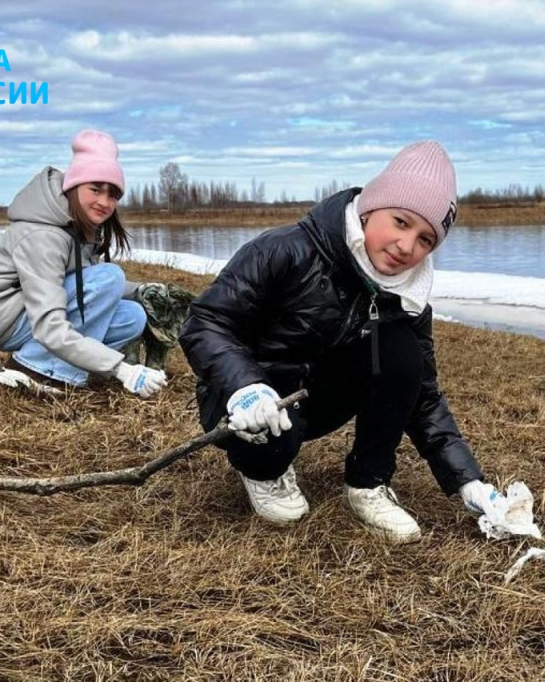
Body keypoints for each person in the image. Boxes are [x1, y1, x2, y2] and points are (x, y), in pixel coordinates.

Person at [178, 140, 498, 543]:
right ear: (370, 208)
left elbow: (423, 394)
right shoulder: (284, 250)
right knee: (274, 435)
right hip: (246, 403)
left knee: (402, 351)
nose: (406, 247)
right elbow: (206, 322)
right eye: (401, 222)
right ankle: (264, 472)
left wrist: (468, 481)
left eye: (425, 240)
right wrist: (244, 387)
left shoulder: (408, 297)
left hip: (318, 397)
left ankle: (368, 483)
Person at [0, 129, 167, 399]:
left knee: (132, 317)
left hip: (30, 311)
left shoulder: (77, 226)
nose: (104, 202)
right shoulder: (45, 236)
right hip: (3, 318)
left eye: (113, 194)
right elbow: (51, 321)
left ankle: (63, 364)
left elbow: (81, 282)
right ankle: (33, 368)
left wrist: (143, 290)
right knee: (110, 276)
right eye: (95, 189)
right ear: (72, 187)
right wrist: (121, 370)